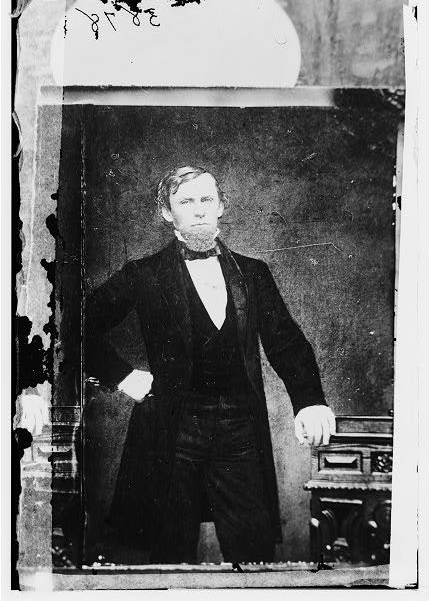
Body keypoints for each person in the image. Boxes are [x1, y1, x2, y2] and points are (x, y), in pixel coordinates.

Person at [85, 165, 336, 564]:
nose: (199, 209)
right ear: (166, 212)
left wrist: (310, 401)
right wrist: (121, 375)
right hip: (172, 427)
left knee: (253, 553)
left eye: (206, 199)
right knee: (167, 554)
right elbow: (77, 324)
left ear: (221, 206)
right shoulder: (143, 274)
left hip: (240, 427)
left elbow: (286, 342)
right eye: (186, 201)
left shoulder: (253, 273)